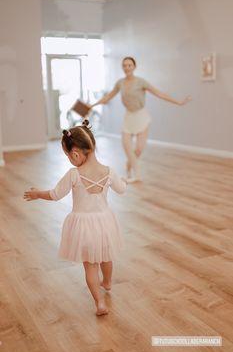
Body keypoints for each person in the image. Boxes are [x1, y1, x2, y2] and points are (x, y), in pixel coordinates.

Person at [24, 119, 127, 316]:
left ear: (76, 154)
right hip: (105, 223)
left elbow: (54, 195)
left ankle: (100, 304)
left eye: (68, 156)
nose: (70, 160)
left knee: (90, 266)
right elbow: (122, 190)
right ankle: (107, 281)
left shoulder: (73, 174)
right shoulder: (109, 172)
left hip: (83, 227)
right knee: (106, 256)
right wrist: (124, 181)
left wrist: (38, 193)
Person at [90, 57, 192, 183]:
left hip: (141, 116)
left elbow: (159, 93)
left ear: (134, 67)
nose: (127, 67)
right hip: (128, 117)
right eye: (125, 65)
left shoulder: (141, 82)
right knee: (127, 147)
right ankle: (136, 175)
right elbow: (108, 97)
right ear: (123, 67)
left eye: (129, 65)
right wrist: (93, 105)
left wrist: (179, 102)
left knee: (138, 149)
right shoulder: (120, 83)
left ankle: (129, 165)